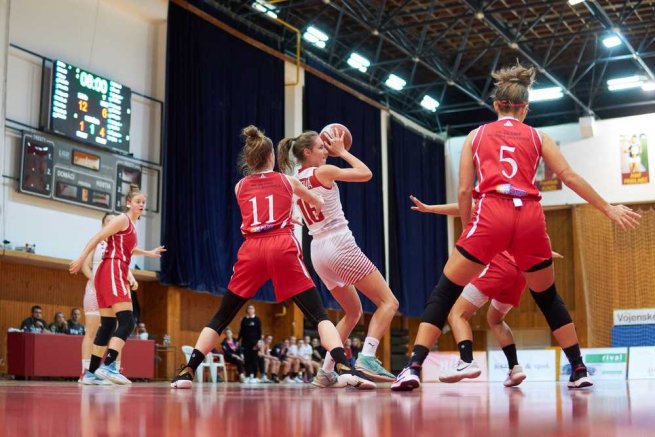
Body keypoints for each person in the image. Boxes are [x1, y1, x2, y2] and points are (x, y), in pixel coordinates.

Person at [392, 63, 640, 392]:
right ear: (525, 108)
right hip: (529, 217)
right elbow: (569, 177)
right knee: (548, 297)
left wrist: (469, 233)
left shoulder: (476, 135)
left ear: (496, 105)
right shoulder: (538, 136)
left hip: (491, 213)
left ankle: (412, 367)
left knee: (446, 292)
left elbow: (465, 191)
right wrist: (607, 208)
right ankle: (579, 368)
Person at [170, 125, 374, 389]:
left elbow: (259, 209)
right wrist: (292, 213)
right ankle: (344, 366)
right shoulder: (287, 180)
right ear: (271, 159)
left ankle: (187, 371)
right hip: (281, 246)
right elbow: (318, 203)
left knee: (221, 317)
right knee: (318, 316)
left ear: (250, 160)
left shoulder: (239, 185)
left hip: (252, 248)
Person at [278, 128, 399, 386]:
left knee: (353, 312)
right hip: (338, 243)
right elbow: (366, 173)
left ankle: (325, 372)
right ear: (307, 152)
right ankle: (367, 356)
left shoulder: (293, 181)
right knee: (389, 303)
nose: (327, 150)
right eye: (321, 147)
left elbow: (287, 214)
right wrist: (343, 151)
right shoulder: (324, 172)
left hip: (318, 251)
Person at [408, 199, 565, 386]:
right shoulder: (523, 207)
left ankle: (466, 361)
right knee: (496, 320)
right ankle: (514, 367)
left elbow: (462, 206)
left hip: (499, 267)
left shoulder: (494, 201)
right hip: (519, 274)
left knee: (457, 314)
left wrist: (431, 208)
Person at [70, 185, 165, 385]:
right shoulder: (121, 219)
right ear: (128, 203)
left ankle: (91, 373)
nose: (141, 205)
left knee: (108, 325)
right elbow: (97, 238)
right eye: (138, 201)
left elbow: (128, 250)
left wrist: (148, 253)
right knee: (128, 321)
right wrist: (81, 259)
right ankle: (110, 365)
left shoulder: (130, 225)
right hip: (113, 269)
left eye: (143, 202)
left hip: (111, 271)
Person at [238, 305, 262, 383]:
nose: (250, 310)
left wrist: (259, 341)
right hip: (245, 342)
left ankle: (254, 376)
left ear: (254, 310)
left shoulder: (257, 319)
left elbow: (259, 331)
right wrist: (238, 340)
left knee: (254, 359)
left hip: (254, 342)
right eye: (249, 308)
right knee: (247, 359)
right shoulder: (244, 319)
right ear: (247, 310)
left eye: (252, 308)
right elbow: (241, 331)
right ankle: (248, 375)